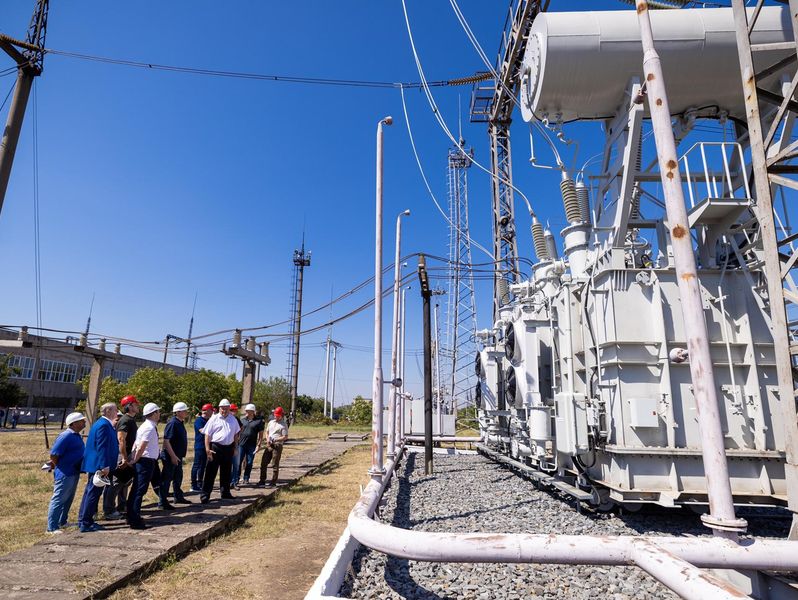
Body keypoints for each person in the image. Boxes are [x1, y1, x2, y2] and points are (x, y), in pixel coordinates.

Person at [77, 403, 119, 533]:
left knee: (91, 492)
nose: (117, 412)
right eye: (115, 410)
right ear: (108, 411)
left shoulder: (104, 424)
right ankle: (86, 522)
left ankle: (83, 519)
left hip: (99, 465)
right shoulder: (103, 425)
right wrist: (104, 466)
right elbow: (101, 447)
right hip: (99, 466)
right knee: (93, 493)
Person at [45, 412, 86, 533]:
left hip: (74, 471)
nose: (84, 422)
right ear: (73, 423)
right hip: (65, 472)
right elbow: (54, 454)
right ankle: (51, 527)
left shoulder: (76, 435)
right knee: (59, 498)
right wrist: (60, 465)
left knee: (68, 498)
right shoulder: (65, 436)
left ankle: (62, 521)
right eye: (81, 420)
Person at [127, 402, 161, 530]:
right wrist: (135, 460)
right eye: (158, 412)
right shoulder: (149, 427)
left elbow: (137, 444)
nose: (159, 414)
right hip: (145, 461)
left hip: (145, 460)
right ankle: (134, 519)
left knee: (137, 490)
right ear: (154, 413)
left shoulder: (146, 426)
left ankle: (132, 516)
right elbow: (141, 446)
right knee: (139, 490)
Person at [200, 399, 240, 504]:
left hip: (229, 448)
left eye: (227, 408)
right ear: (219, 408)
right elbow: (207, 435)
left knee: (226, 472)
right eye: (222, 408)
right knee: (210, 472)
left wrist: (235, 448)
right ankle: (205, 495)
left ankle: (225, 492)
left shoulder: (233, 419)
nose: (224, 410)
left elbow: (236, 434)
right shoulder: (214, 419)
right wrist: (207, 449)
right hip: (216, 447)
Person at [112, 395, 139, 515]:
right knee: (117, 483)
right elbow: (121, 439)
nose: (138, 406)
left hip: (128, 455)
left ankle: (122, 507)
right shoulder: (125, 420)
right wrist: (124, 457)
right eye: (135, 404)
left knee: (125, 482)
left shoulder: (131, 420)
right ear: (129, 406)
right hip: (123, 455)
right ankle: (109, 510)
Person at [159, 402, 190, 507]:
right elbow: (166, 441)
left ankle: (178, 497)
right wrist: (172, 456)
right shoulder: (173, 423)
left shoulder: (180, 422)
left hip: (177, 456)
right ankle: (162, 502)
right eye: (184, 410)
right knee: (166, 479)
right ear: (177, 412)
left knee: (178, 477)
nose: (186, 412)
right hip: (170, 456)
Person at [257, 406, 288, 488]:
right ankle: (262, 480)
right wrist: (267, 439)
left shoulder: (283, 425)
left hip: (277, 445)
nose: (276, 417)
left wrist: (276, 439)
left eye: (278, 415)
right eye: (275, 415)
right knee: (263, 463)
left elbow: (285, 437)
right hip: (269, 444)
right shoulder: (271, 422)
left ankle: (273, 481)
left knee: (275, 464)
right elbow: (267, 432)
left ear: (281, 415)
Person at [236, 404, 264, 486]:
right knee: (238, 462)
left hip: (251, 445)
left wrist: (259, 445)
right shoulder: (242, 420)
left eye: (248, 411)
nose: (246, 412)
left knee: (249, 462)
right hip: (241, 444)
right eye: (246, 411)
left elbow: (261, 435)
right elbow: (238, 432)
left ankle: (246, 478)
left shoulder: (258, 421)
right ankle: (237, 478)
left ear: (253, 412)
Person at [191, 403, 213, 491]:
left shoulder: (208, 420)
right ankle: (193, 485)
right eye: (211, 411)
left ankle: (200, 482)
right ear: (208, 411)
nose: (212, 413)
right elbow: (202, 431)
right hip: (199, 446)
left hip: (206, 446)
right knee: (197, 465)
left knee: (203, 466)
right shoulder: (199, 420)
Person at [229, 403, 244, 489]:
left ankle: (234, 482)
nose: (234, 412)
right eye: (232, 410)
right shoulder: (225, 419)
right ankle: (227, 482)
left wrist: (237, 436)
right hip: (226, 445)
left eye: (235, 410)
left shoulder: (236, 419)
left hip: (235, 444)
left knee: (236, 464)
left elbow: (241, 428)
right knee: (227, 465)